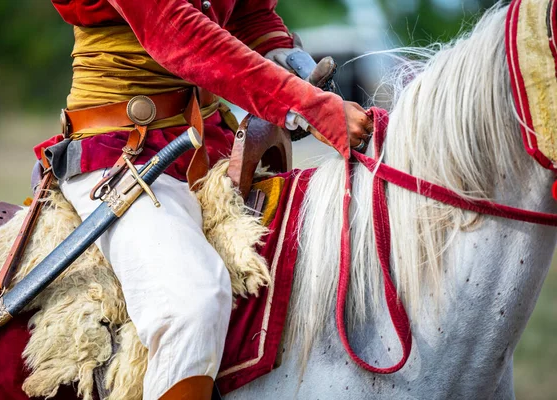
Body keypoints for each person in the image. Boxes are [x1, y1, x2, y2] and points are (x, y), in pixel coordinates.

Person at [38, 0, 372, 398]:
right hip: (118, 152)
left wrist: (283, 53)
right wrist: (306, 105)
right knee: (191, 304)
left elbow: (247, 13)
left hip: (207, 145)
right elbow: (175, 30)